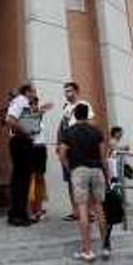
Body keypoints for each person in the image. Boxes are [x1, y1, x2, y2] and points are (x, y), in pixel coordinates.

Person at [59, 103, 109, 261]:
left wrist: (70, 169)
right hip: (96, 170)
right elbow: (103, 156)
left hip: (79, 170)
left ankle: (87, 250)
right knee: (99, 208)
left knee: (82, 209)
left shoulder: (69, 132)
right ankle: (105, 247)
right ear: (87, 115)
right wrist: (106, 174)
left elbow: (62, 154)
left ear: (74, 114)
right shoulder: (96, 131)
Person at [5, 83, 52, 226]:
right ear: (27, 92)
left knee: (22, 180)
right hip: (21, 142)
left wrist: (37, 115)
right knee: (21, 180)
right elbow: (10, 120)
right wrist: (25, 130)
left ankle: (18, 213)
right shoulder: (20, 101)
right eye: (33, 92)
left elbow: (28, 123)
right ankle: (18, 215)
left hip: (24, 142)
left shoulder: (24, 103)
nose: (35, 95)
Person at [57, 82, 94, 221]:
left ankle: (89, 211)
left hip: (80, 146)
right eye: (65, 91)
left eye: (70, 91)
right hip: (67, 146)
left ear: (76, 91)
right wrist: (59, 143)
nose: (67, 94)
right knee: (70, 179)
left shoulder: (84, 105)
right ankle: (75, 211)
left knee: (84, 178)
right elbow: (62, 126)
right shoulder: (66, 108)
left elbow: (90, 124)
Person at [28, 96, 49, 223]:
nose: (34, 106)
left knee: (40, 178)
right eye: (31, 104)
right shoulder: (26, 117)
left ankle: (39, 208)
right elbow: (31, 131)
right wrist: (38, 114)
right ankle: (32, 211)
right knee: (31, 179)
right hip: (31, 149)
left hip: (41, 149)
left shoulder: (38, 118)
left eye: (35, 103)